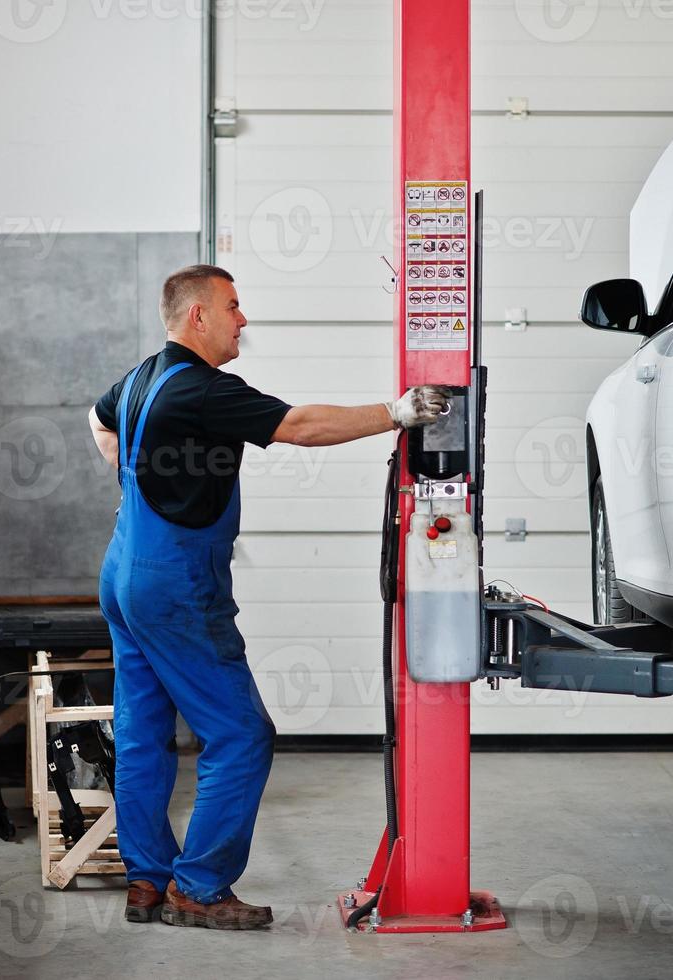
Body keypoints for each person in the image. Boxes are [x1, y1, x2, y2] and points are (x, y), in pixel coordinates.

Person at [89, 264, 447, 930]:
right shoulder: (202, 390)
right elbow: (300, 426)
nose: (242, 320)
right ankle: (197, 887)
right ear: (197, 316)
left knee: (142, 732)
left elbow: (97, 415)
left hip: (123, 571)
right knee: (241, 733)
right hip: (174, 584)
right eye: (232, 306)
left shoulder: (141, 378)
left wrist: (121, 466)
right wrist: (394, 413)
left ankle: (146, 879)